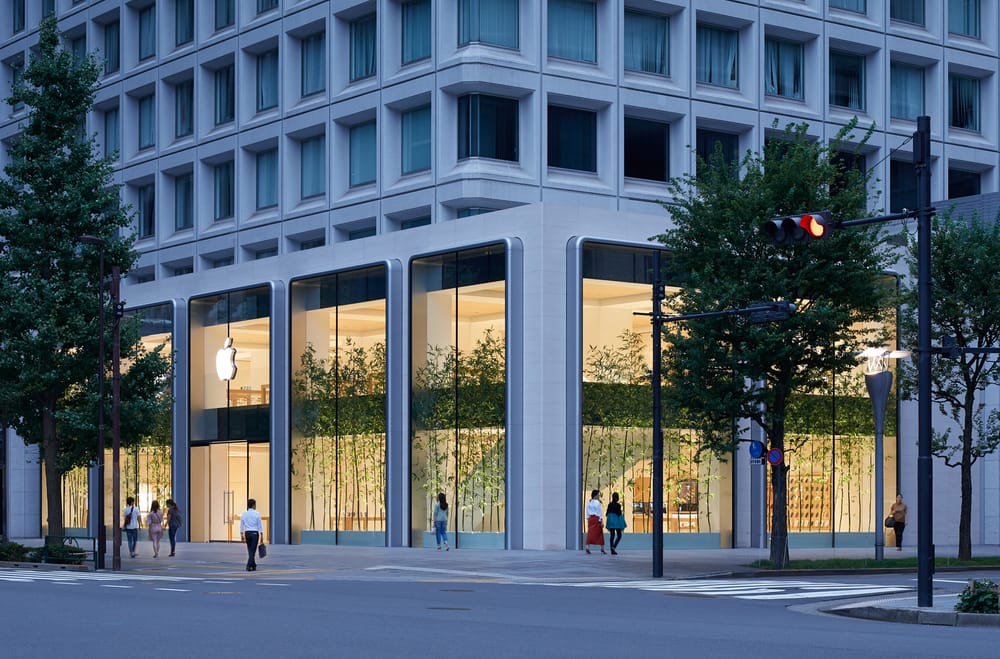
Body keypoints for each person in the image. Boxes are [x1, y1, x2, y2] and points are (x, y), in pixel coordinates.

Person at [240, 498, 263, 571]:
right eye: (255, 505)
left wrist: (242, 535)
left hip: (247, 533)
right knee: (253, 550)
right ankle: (248, 565)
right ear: (253, 505)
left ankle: (253, 565)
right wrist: (261, 535)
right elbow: (259, 525)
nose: (255, 506)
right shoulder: (257, 514)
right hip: (255, 533)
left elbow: (242, 525)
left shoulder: (244, 514)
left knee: (250, 550)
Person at [584, 489, 606, 555]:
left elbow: (587, 513)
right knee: (600, 534)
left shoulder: (589, 503)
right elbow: (599, 512)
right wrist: (601, 521)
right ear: (595, 495)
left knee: (590, 533)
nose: (599, 496)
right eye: (598, 495)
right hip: (596, 519)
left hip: (590, 519)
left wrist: (588, 519)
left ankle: (587, 547)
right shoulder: (597, 503)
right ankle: (602, 549)